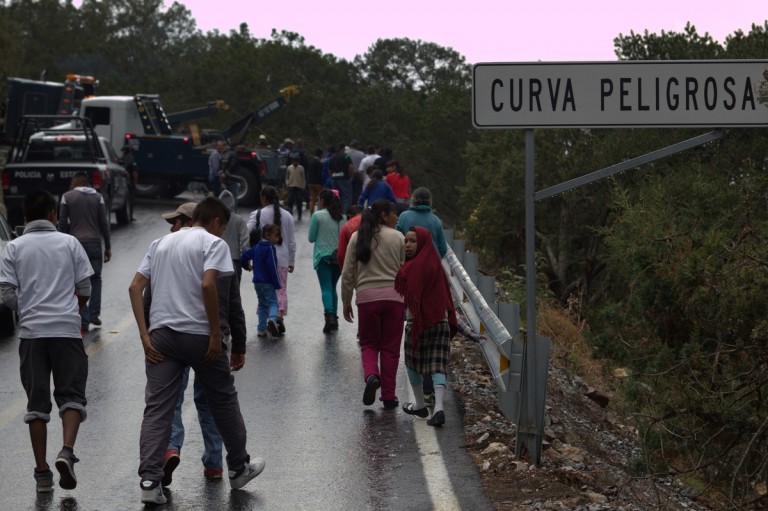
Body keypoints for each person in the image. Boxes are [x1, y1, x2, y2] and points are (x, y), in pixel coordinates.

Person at [128, 197, 264, 505]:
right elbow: (208, 287)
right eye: (223, 227)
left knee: (157, 407)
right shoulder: (213, 245)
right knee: (222, 400)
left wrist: (143, 335)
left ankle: (150, 481)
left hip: (161, 336)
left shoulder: (159, 243)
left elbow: (135, 288)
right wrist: (216, 333)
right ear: (216, 221)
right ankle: (238, 467)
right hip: (200, 336)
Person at [147, 201, 248, 485]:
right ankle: (216, 462)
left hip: (174, 336)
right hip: (207, 339)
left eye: (178, 220)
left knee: (170, 400)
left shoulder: (167, 249)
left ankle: (170, 449)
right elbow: (230, 300)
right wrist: (233, 342)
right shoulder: (212, 249)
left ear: (194, 221)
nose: (174, 227)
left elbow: (146, 296)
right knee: (213, 401)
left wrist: (149, 336)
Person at [0, 190, 93, 493]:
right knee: (72, 398)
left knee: (36, 405)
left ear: (24, 217)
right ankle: (66, 450)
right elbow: (85, 287)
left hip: (32, 334)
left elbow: (6, 293)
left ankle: (42, 474)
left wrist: (29, 311)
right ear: (54, 214)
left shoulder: (13, 247)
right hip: (66, 331)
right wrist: (69, 311)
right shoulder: (69, 243)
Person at [341, 200, 404, 409]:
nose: (397, 217)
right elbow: (405, 272)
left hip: (367, 299)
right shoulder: (398, 237)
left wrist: (346, 301)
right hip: (394, 299)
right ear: (384, 216)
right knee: (390, 348)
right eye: (394, 213)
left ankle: (371, 375)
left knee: (368, 344)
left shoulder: (357, 237)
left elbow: (348, 272)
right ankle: (388, 396)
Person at [396, 227, 458, 427]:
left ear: (421, 242)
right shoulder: (436, 264)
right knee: (437, 365)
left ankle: (421, 405)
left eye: (412, 241)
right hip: (440, 322)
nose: (407, 245)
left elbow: (409, 297)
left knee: (413, 363)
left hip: (418, 324)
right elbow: (446, 296)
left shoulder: (412, 267)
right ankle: (439, 408)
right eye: (406, 241)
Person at [395, 187, 448, 405]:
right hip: (434, 277)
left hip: (413, 276)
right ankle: (431, 389)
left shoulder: (405, 216)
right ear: (430, 201)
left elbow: (399, 242)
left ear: (413, 200)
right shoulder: (435, 220)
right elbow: (443, 248)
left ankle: (421, 398)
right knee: (433, 332)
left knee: (416, 329)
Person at [58, 172, 111, 331]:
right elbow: (104, 223)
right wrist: (107, 246)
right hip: (94, 243)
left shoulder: (67, 197)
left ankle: (84, 318)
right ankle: (95, 314)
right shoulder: (98, 197)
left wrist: (62, 244)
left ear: (76, 182)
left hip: (75, 244)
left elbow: (62, 222)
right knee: (95, 279)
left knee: (76, 281)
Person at [246, 186, 296, 335]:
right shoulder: (287, 215)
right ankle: (277, 316)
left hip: (261, 259)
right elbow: (292, 242)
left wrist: (248, 256)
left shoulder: (257, 214)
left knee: (264, 292)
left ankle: (266, 322)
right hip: (281, 259)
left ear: (264, 199)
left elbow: (247, 234)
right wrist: (291, 261)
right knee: (280, 289)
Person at [308, 189, 346, 333]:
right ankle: (334, 319)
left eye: (319, 199)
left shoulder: (317, 216)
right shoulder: (343, 217)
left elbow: (311, 238)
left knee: (325, 287)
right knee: (332, 287)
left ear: (323, 200)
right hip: (339, 258)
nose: (318, 202)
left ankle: (329, 316)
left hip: (323, 256)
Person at [240, 224, 282, 338]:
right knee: (273, 302)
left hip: (257, 282)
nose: (278, 238)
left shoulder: (257, 247)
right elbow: (272, 266)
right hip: (268, 281)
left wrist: (246, 266)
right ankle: (272, 320)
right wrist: (277, 283)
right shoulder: (269, 248)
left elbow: (243, 256)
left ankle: (261, 329)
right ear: (268, 235)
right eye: (276, 235)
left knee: (262, 305)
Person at [218, 190, 249, 283]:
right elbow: (245, 242)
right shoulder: (239, 220)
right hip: (235, 261)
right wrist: (246, 259)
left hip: (218, 260)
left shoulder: (215, 220)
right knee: (234, 294)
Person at [328, 143, 355, 212]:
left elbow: (329, 169)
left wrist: (332, 176)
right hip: (344, 179)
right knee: (347, 197)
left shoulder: (332, 157)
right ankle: (344, 213)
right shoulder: (346, 156)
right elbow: (351, 167)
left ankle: (336, 212)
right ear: (343, 148)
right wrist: (351, 176)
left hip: (335, 179)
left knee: (336, 197)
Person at [337, 205, 362, 270]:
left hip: (354, 269)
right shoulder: (375, 222)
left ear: (349, 216)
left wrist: (344, 270)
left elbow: (341, 254)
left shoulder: (348, 225)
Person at [285, 153, 306, 221]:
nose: (295, 163)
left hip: (299, 186)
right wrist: (287, 183)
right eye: (293, 161)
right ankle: (290, 215)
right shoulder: (289, 168)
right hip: (291, 186)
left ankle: (299, 215)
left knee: (299, 201)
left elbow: (303, 178)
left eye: (296, 161)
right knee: (290, 201)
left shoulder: (301, 168)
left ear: (298, 162)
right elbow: (287, 177)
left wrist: (303, 186)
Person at [121, 143, 138, 221]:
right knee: (131, 200)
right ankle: (130, 216)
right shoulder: (131, 158)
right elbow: (134, 172)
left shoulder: (121, 159)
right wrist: (135, 182)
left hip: (122, 182)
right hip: (130, 182)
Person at [306, 148, 325, 215]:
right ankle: (320, 212)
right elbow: (321, 174)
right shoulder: (319, 163)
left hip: (310, 182)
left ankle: (311, 212)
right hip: (318, 183)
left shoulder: (310, 162)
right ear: (320, 155)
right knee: (320, 198)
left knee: (312, 199)